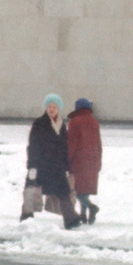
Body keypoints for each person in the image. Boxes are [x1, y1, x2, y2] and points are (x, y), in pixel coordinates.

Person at [21, 93, 80, 229]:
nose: (51, 109)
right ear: (45, 108)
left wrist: (67, 166)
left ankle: (71, 220)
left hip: (57, 167)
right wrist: (32, 166)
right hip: (42, 166)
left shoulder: (61, 124)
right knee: (32, 190)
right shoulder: (39, 123)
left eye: (54, 106)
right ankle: (26, 217)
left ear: (58, 108)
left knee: (64, 192)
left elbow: (65, 147)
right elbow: (33, 145)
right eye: (49, 106)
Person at [66, 96, 102, 224]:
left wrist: (67, 160)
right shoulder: (94, 122)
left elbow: (71, 143)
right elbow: (99, 144)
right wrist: (99, 162)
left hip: (79, 162)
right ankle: (83, 215)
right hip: (93, 161)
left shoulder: (75, 122)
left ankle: (92, 208)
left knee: (77, 189)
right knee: (84, 189)